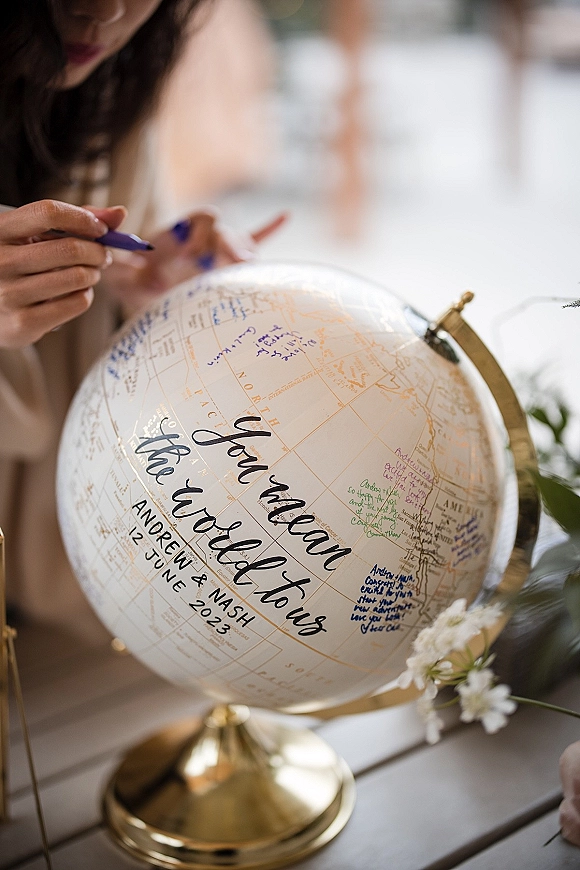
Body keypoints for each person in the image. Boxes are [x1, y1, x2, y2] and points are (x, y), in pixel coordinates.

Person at [0, 0, 284, 641]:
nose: (107, 12)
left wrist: (151, 289)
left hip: (42, 584)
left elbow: (123, 262)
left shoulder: (113, 92)